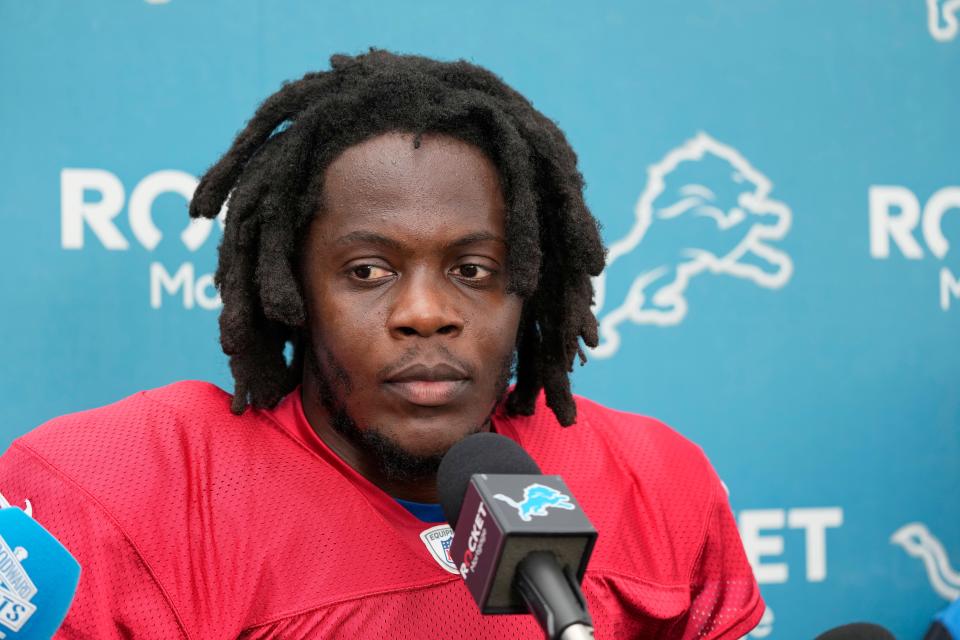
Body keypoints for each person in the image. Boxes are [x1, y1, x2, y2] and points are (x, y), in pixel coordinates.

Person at [0, 50, 763, 638]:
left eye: (473, 270)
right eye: (368, 270)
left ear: (531, 283)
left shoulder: (655, 482)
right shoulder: (123, 494)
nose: (426, 313)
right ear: (292, 292)